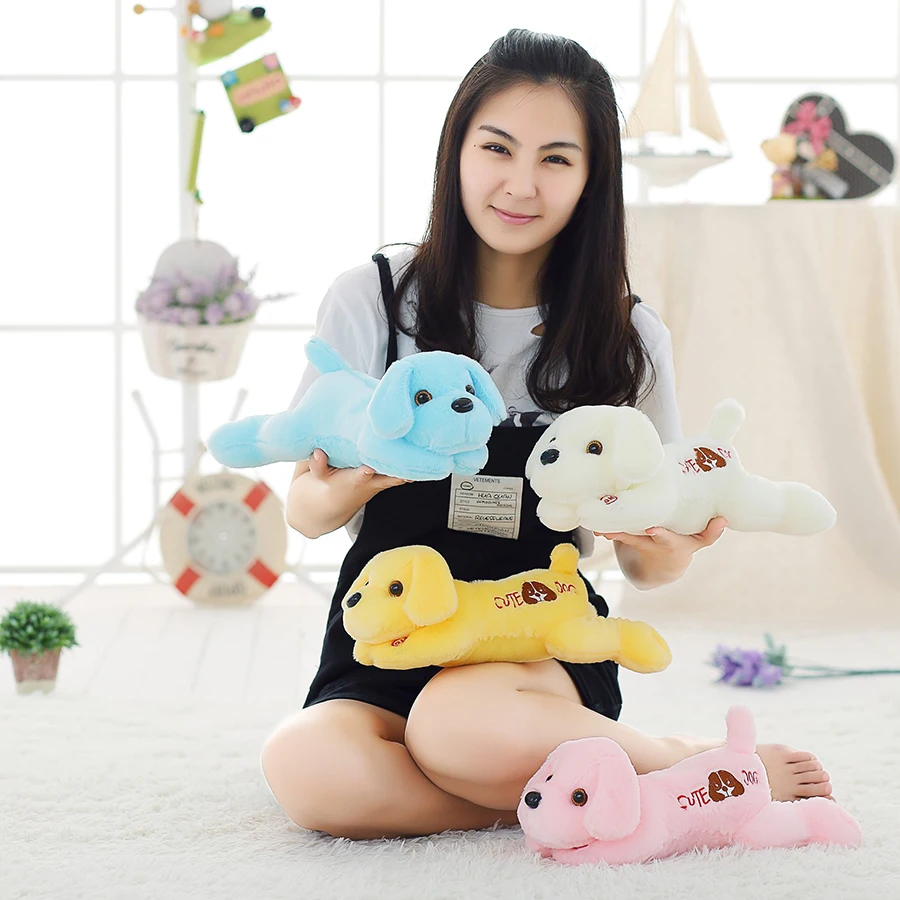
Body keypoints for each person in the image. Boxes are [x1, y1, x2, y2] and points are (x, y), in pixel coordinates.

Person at [260, 29, 832, 841]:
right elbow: (305, 510)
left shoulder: (627, 336)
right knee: (308, 769)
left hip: (537, 643)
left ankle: (669, 765)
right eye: (497, 148)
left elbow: (644, 561)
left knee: (454, 727)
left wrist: (670, 548)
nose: (520, 184)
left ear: (593, 177)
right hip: (387, 631)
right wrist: (352, 484)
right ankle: (641, 782)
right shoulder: (374, 300)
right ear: (457, 151)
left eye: (556, 159)